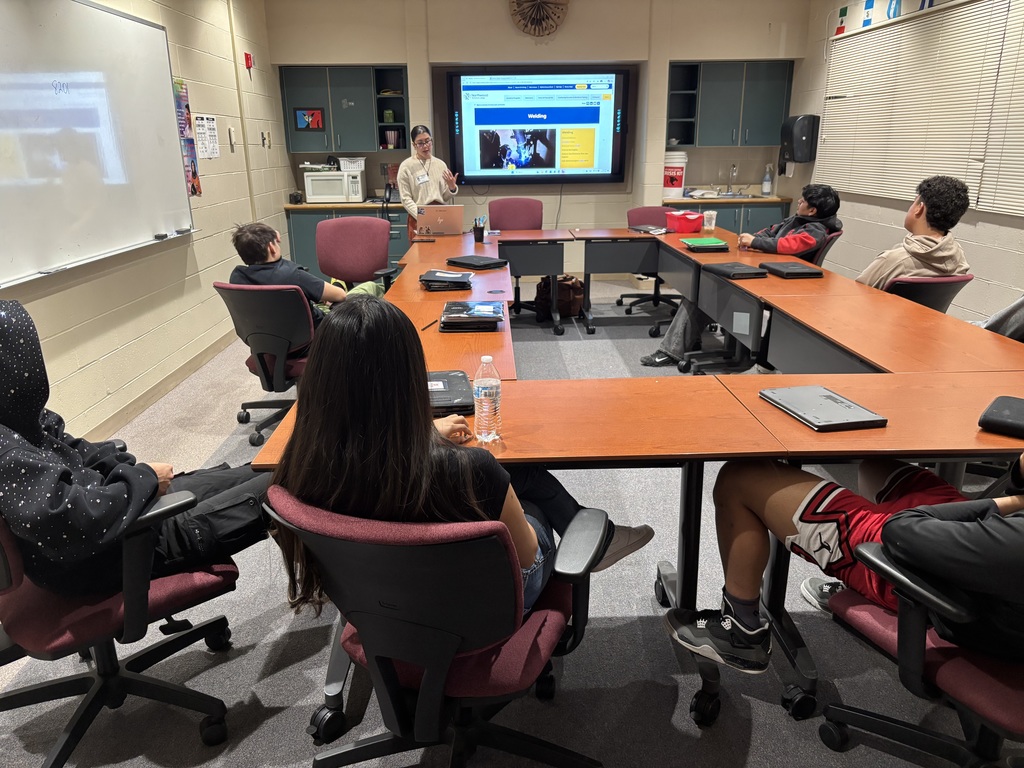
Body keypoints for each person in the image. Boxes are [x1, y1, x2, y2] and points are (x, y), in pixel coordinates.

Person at [270, 296, 654, 615]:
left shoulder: (296, 468)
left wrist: (424, 433)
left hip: (372, 602)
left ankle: (587, 534)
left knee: (520, 477)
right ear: (410, 379)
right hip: (486, 609)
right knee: (526, 498)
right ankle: (584, 536)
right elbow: (526, 558)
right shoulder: (468, 470)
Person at [0, 300, 270, 598]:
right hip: (116, 554)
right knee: (282, 486)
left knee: (260, 470)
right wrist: (145, 480)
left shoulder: (21, 417)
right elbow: (69, 524)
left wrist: (129, 471)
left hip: (124, 511)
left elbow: (77, 449)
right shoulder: (7, 452)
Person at [663, 454, 1024, 672]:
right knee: (877, 467)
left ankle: (741, 631)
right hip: (987, 553)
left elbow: (906, 532)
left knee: (738, 478)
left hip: (923, 561)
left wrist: (1010, 503)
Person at [640, 184, 842, 368]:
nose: (799, 201)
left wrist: (754, 242)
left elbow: (786, 246)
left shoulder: (815, 230)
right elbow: (771, 232)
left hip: (778, 282)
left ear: (813, 210)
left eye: (803, 200)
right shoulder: (799, 219)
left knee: (706, 290)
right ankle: (689, 341)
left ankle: (672, 350)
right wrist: (755, 239)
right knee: (706, 287)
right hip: (768, 270)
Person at [228, 222, 384, 330]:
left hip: (270, 338)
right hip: (315, 336)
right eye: (276, 242)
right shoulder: (293, 276)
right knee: (369, 287)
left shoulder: (237, 277)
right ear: (271, 248)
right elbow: (341, 296)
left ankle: (333, 286)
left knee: (325, 293)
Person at [855, 175, 970, 289]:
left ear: (919, 208)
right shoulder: (959, 258)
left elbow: (855, 293)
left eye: (914, 202)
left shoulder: (893, 260)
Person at [398, 125, 459, 241]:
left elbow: (444, 197)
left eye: (427, 141)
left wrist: (451, 187)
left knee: (442, 255)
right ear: (414, 145)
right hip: (418, 218)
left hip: (440, 217)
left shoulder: (440, 164)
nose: (425, 146)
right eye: (420, 143)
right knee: (421, 257)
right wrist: (423, 216)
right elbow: (406, 199)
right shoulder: (406, 166)